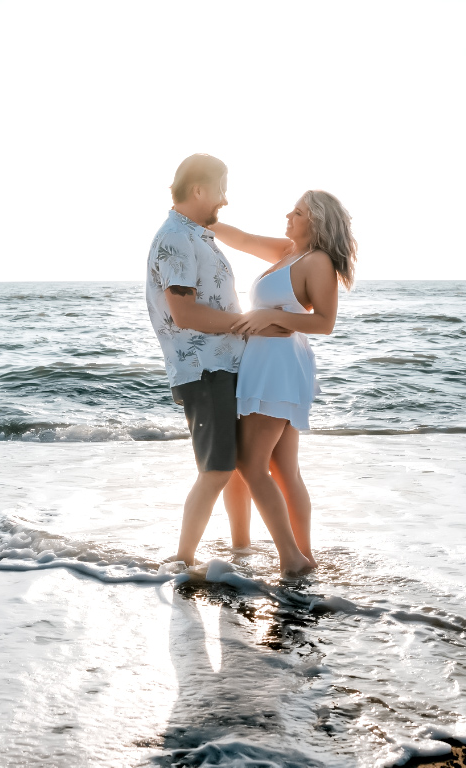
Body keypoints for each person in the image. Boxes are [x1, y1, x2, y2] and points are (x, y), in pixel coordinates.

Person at [146, 154, 314, 577]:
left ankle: (248, 552)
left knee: (232, 464)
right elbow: (184, 314)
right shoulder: (176, 239)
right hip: (202, 368)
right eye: (221, 188)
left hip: (224, 365)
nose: (226, 197)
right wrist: (252, 327)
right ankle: (182, 559)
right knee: (217, 467)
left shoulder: (198, 236)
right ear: (200, 189)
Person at [209, 190, 358, 571]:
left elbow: (324, 322)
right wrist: (200, 219)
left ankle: (291, 559)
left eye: (299, 212)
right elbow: (242, 239)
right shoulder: (288, 251)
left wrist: (269, 320)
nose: (288, 215)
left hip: (278, 366)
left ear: (317, 222)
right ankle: (302, 555)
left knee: (249, 464)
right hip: (265, 364)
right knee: (283, 469)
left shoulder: (317, 261)